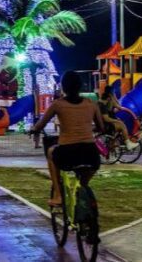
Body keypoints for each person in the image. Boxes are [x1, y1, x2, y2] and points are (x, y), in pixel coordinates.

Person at [31, 71, 104, 207]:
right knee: (85, 179)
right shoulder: (91, 104)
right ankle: (82, 189)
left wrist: (33, 130)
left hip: (67, 153)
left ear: (63, 87)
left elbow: (41, 124)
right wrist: (89, 129)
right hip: (91, 153)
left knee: (51, 152)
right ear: (80, 86)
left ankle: (58, 195)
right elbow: (101, 127)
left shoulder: (57, 104)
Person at [98, 86, 138, 150]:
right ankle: (128, 143)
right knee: (122, 125)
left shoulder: (101, 101)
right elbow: (118, 107)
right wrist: (115, 97)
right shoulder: (108, 101)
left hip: (104, 123)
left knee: (119, 123)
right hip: (107, 124)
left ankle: (113, 143)